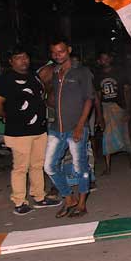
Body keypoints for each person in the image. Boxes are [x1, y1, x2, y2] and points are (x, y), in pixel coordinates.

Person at [0, 46, 61, 215]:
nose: (24, 61)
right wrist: (5, 117)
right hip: (18, 132)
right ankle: (19, 201)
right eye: (19, 57)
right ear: (11, 61)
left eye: (26, 57)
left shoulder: (33, 77)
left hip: (38, 129)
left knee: (37, 165)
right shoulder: (5, 80)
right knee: (20, 167)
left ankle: (39, 196)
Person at [43, 38, 94, 218]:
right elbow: (52, 99)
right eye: (54, 53)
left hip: (75, 127)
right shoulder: (55, 73)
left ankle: (82, 203)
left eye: (61, 51)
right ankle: (68, 198)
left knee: (80, 166)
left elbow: (89, 99)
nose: (57, 55)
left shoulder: (82, 72)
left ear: (69, 50)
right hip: (57, 128)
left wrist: (80, 126)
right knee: (49, 166)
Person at [94, 50, 131, 174]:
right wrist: (99, 115)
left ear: (110, 59)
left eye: (107, 58)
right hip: (106, 108)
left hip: (120, 107)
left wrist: (128, 110)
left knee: (125, 133)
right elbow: (97, 96)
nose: (105, 61)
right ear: (99, 61)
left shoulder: (120, 72)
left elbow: (127, 91)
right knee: (106, 136)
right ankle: (108, 167)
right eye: (103, 59)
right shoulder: (98, 76)